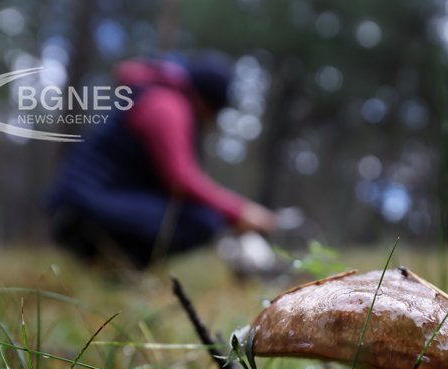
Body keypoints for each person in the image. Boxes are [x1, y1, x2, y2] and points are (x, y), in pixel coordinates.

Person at [47, 53, 277, 268]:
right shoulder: (166, 106)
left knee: (193, 214)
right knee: (204, 220)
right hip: (83, 214)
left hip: (89, 207)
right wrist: (239, 211)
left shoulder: (159, 97)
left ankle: (118, 273)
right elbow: (180, 177)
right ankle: (114, 268)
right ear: (207, 104)